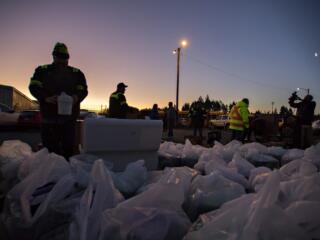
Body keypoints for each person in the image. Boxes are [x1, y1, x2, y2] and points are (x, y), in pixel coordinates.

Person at [29, 42, 88, 159]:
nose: (62, 61)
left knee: (68, 151)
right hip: (48, 119)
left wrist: (76, 97)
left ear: (68, 58)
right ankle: (52, 174)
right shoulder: (42, 70)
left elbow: (83, 90)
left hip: (69, 120)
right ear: (54, 56)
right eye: (59, 58)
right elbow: (34, 87)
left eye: (65, 58)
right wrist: (46, 98)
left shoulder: (77, 73)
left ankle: (66, 173)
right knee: (50, 153)